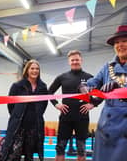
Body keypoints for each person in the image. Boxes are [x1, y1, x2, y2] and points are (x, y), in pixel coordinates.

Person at [84, 25, 127, 161]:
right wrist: (84, 88)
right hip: (107, 127)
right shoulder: (107, 67)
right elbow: (91, 84)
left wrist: (118, 91)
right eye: (116, 42)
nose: (120, 45)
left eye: (124, 41)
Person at [49, 50, 94, 161]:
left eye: (77, 59)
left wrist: (92, 104)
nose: (75, 62)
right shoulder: (62, 77)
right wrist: (56, 104)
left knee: (81, 149)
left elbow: (101, 93)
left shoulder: (90, 77)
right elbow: (49, 92)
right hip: (66, 117)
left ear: (81, 60)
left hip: (82, 117)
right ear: (69, 62)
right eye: (72, 60)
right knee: (60, 148)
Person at [0, 59, 48, 161]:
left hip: (34, 126)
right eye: (32, 68)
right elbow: (10, 105)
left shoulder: (43, 87)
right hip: (19, 126)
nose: (35, 71)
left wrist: (36, 115)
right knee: (13, 154)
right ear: (27, 70)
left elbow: (44, 105)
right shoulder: (17, 86)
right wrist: (17, 116)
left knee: (29, 155)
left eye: (37, 69)